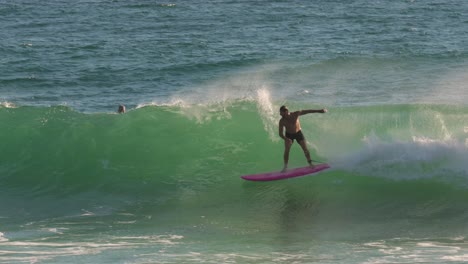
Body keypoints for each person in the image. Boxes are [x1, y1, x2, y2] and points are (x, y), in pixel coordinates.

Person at [278, 105, 327, 172]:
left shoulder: (295, 114)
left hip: (298, 133)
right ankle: (285, 167)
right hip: (289, 135)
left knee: (305, 149)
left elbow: (308, 111)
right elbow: (280, 134)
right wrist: (286, 139)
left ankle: (310, 163)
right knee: (287, 150)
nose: (280, 114)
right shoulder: (282, 121)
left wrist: (319, 111)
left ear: (286, 111)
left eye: (281, 112)